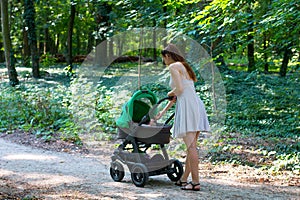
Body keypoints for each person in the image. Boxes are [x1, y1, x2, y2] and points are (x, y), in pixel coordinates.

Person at [155, 43, 210, 191]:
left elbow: (178, 90)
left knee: (191, 147)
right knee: (191, 147)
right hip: (196, 104)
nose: (164, 61)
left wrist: (169, 93)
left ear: (167, 55)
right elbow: (181, 93)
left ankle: (196, 182)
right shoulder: (184, 66)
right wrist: (162, 112)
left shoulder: (173, 67)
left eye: (163, 58)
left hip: (188, 107)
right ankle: (184, 179)